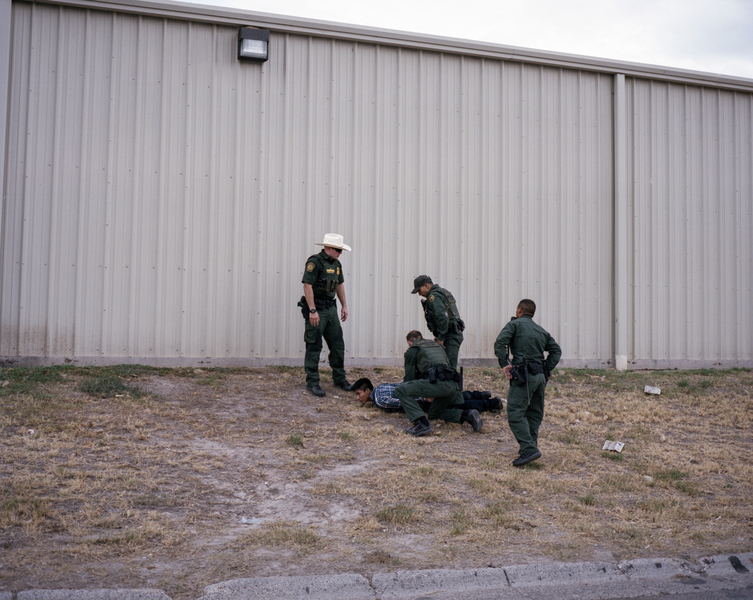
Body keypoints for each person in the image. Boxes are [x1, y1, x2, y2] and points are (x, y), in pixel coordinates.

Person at [494, 299, 562, 467]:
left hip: (524, 376)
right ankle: (531, 446)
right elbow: (556, 351)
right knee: (534, 412)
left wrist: (505, 363)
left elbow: (500, 343)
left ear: (519, 310)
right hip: (540, 377)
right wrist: (546, 369)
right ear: (532, 313)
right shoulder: (541, 331)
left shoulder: (515, 325)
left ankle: (529, 448)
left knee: (516, 412)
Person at [395, 330, 482, 437]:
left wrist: (420, 397)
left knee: (401, 389)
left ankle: (421, 424)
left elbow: (409, 379)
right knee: (434, 414)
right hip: (454, 385)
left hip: (439, 385)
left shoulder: (413, 351)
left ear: (410, 342)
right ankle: (467, 415)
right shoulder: (437, 346)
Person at [300, 233, 353, 397]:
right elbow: (307, 286)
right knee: (314, 345)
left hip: (331, 310)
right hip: (317, 309)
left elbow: (340, 285)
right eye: (338, 249)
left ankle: (340, 379)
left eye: (341, 250)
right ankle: (313, 382)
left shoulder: (337, 264)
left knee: (338, 345)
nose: (340, 253)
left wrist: (344, 305)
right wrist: (312, 310)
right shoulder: (315, 262)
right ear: (328, 248)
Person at [351, 378, 503, 414]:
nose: (358, 399)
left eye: (359, 394)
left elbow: (403, 403)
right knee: (454, 397)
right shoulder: (382, 386)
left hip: (423, 400)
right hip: (421, 390)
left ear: (368, 391)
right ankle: (480, 395)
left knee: (456, 406)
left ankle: (491, 404)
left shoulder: (379, 400)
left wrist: (424, 399)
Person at [411, 276, 465, 370]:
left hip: (450, 335)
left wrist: (441, 338)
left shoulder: (434, 296)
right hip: (450, 333)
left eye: (419, 290)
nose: (419, 294)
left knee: (449, 368)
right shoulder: (441, 293)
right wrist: (440, 334)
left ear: (426, 286)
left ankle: (453, 385)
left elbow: (442, 317)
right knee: (446, 366)